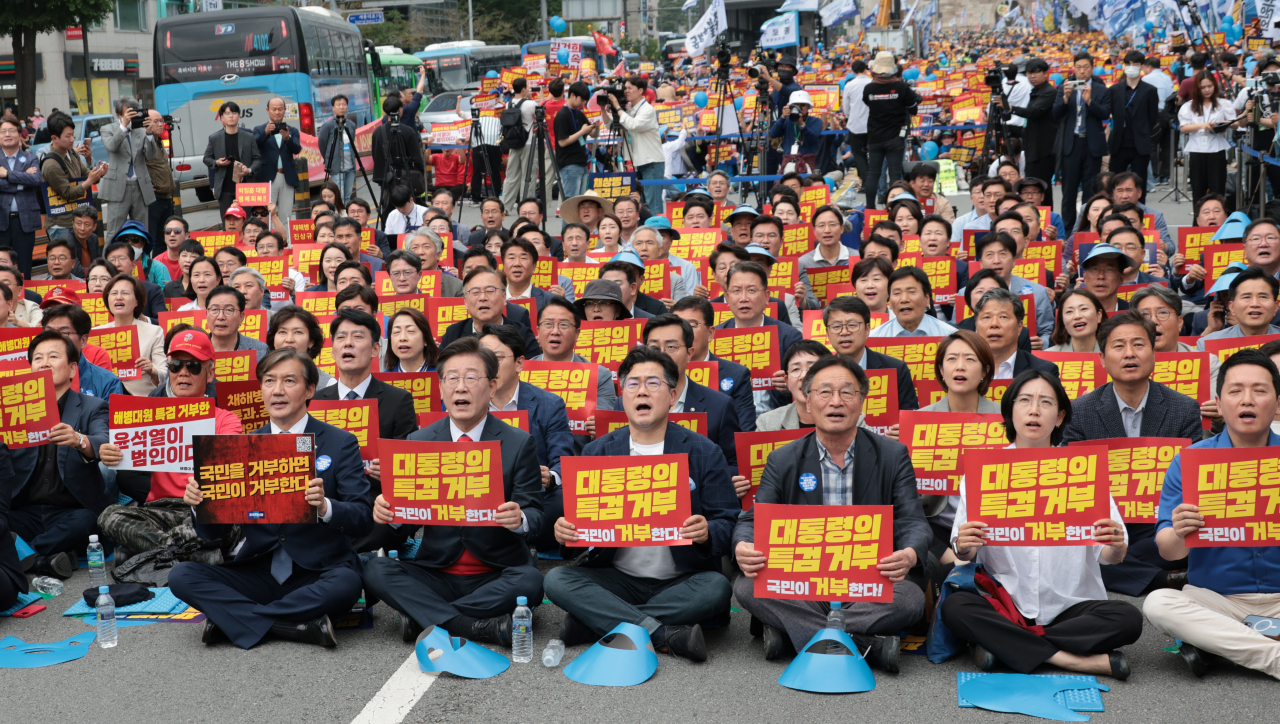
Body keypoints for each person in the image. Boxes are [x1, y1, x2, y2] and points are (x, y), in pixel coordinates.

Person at [544, 345, 738, 662]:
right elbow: (576, 526)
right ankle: (663, 634)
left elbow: (728, 521)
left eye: (653, 383)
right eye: (633, 384)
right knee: (556, 579)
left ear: (673, 396)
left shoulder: (704, 450)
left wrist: (707, 531)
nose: (641, 392)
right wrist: (565, 530)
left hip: (682, 579)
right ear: (623, 396)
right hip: (617, 577)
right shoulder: (598, 452)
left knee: (717, 588)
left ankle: (599, 623)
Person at [733, 354, 928, 668]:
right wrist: (743, 546)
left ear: (861, 401)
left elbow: (912, 520)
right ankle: (864, 644)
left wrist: (908, 552)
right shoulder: (783, 459)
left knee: (910, 598)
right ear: (808, 403)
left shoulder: (893, 454)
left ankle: (798, 634)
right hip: (805, 577)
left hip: (869, 578)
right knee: (745, 585)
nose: (836, 401)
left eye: (847, 392)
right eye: (824, 392)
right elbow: (752, 519)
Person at [943, 369, 1141, 677]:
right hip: (1008, 604)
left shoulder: (1082, 471)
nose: (1034, 410)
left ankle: (1005, 646)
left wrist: (1116, 545)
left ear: (1060, 416)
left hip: (1071, 608)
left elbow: (1109, 556)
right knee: (955, 608)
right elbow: (965, 553)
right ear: (1010, 411)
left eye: (1045, 402)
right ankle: (1072, 660)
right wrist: (964, 545)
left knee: (1128, 618)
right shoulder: (984, 473)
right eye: (1025, 400)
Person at [170, 348, 371, 649]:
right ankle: (295, 626)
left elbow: (362, 516)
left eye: (289, 381)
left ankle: (234, 619)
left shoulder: (340, 442)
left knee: (348, 584)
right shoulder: (238, 448)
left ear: (310, 389)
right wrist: (200, 505)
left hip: (317, 571)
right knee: (182, 576)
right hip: (258, 570)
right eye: (268, 381)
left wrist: (325, 506)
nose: (277, 391)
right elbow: (215, 535)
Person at [364, 337, 544, 646]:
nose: (461, 387)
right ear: (441, 389)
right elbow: (406, 525)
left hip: (496, 573)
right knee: (375, 569)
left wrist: (520, 519)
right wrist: (390, 515)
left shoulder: (518, 442)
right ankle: (473, 627)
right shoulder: (418, 442)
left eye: (471, 378)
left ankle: (426, 618)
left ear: (491, 386)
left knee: (532, 582)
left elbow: (536, 514)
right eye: (452, 378)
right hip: (436, 572)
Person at [1144, 349, 1280, 679]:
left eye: (1259, 390)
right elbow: (1167, 550)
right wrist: (1179, 531)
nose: (1247, 400)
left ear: (1277, 404)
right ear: (1219, 404)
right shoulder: (1190, 461)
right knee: (1159, 604)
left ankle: (1220, 643)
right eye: (1235, 391)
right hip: (1217, 599)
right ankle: (1271, 651)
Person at [1059, 310, 1201, 596]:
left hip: (1158, 523)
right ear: (1102, 358)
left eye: (1138, 344)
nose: (1129, 354)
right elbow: (1073, 485)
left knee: (1178, 538)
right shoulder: (1080, 411)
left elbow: (1191, 479)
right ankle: (1165, 579)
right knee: (1083, 549)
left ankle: (1126, 570)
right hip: (1105, 523)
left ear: (1153, 352)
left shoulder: (1183, 408)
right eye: (1118, 346)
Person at [96, 328, 243, 556]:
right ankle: (189, 555)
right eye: (176, 366)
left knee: (222, 524)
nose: (183, 373)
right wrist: (111, 453)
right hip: (161, 509)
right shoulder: (149, 416)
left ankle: (155, 555)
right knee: (109, 517)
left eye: (193, 367)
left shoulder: (227, 420)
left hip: (204, 508)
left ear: (211, 374)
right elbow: (127, 457)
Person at [8, 330, 122, 579]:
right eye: (37, 358)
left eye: (52, 356)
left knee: (89, 520)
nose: (44, 363)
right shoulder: (12, 409)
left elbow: (104, 441)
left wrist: (79, 440)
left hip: (72, 511)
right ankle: (42, 560)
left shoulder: (92, 406)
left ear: (72, 369)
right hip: (25, 510)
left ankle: (23, 555)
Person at [310, 308, 418, 550]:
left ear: (375, 349)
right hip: (324, 499)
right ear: (333, 349)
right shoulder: (315, 401)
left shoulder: (398, 399)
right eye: (341, 337)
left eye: (358, 337)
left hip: (374, 502)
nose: (348, 343)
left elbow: (410, 466)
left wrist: (390, 469)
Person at [477, 324, 575, 544]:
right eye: (483, 359)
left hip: (532, 495)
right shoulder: (468, 403)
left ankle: (517, 530)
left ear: (519, 363)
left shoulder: (549, 404)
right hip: (479, 495)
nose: (489, 367)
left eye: (497, 358)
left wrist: (550, 477)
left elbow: (564, 461)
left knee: (563, 500)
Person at [1052, 53, 1111, 232]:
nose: (1082, 71)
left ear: (1092, 68)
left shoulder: (1101, 90)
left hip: (1091, 144)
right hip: (1071, 144)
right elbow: (1055, 114)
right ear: (1074, 69)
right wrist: (1065, 99)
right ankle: (1068, 230)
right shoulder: (1065, 87)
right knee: (1068, 191)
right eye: (1078, 67)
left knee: (1090, 189)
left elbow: (1106, 113)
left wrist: (1090, 102)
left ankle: (1088, 229)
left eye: (1086, 67)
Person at [39, 111, 106, 248]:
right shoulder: (51, 164)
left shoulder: (72, 153)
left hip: (76, 220)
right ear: (55, 138)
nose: (72, 140)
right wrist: (90, 180)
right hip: (61, 225)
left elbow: (86, 174)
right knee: (67, 265)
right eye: (67, 136)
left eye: (72, 135)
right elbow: (67, 193)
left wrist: (99, 173)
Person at [600, 76, 665, 214]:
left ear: (641, 90)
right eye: (625, 88)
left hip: (651, 161)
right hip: (638, 162)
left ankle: (658, 232)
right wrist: (603, 108)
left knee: (653, 203)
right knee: (640, 202)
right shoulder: (630, 110)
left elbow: (632, 125)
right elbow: (611, 125)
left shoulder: (647, 109)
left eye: (630, 88)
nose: (626, 91)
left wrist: (617, 106)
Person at [862, 51, 919, 209]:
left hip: (874, 137)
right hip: (896, 136)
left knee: (873, 173)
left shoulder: (869, 89)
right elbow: (913, 110)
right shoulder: (901, 87)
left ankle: (870, 208)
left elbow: (868, 103)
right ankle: (895, 207)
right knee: (894, 173)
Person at [441, 267, 541, 356]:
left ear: (504, 297)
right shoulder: (453, 334)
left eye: (490, 291)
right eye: (475, 292)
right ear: (465, 302)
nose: (483, 298)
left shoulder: (522, 334)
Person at [93, 274, 166, 395]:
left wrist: (152, 370)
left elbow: (163, 373)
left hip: (141, 400)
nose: (119, 297)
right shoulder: (95, 333)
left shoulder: (154, 331)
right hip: (105, 401)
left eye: (125, 293)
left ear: (137, 301)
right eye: (114, 293)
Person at [1002, 59, 1059, 210]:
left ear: (1045, 74)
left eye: (1035, 72)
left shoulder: (1049, 92)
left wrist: (1010, 107)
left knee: (1041, 188)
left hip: (1043, 149)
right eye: (1029, 73)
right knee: (1034, 186)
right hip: (1034, 146)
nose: (1032, 76)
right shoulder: (1035, 91)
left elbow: (1034, 113)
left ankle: (1047, 219)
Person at [99, 99, 159, 239]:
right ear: (119, 114)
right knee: (114, 232)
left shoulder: (141, 130)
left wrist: (150, 133)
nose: (132, 116)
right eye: (128, 113)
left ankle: (141, 261)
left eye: (134, 112)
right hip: (118, 186)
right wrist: (124, 126)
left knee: (141, 232)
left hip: (140, 186)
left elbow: (151, 156)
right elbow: (112, 147)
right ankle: (110, 260)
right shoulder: (108, 129)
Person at [40, 303, 126, 400]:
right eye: (48, 332)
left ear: (83, 340)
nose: (53, 339)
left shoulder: (107, 382)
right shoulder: (29, 379)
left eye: (64, 333)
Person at [975, 288, 1058, 379]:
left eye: (1003, 317)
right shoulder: (961, 369)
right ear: (976, 326)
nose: (994, 324)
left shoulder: (1044, 371)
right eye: (986, 317)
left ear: (1019, 327)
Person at [1179, 70, 1236, 202]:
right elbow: (1184, 128)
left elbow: (1235, 124)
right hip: (1197, 149)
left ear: (1215, 86)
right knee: (1198, 190)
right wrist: (1202, 125)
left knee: (1218, 189)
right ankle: (1198, 220)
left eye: (1209, 86)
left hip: (1216, 149)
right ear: (1197, 88)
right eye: (1203, 87)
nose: (1206, 90)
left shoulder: (1224, 103)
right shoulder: (1189, 106)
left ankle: (1219, 219)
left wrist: (1223, 124)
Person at [253, 98, 303, 240]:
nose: (277, 112)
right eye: (274, 109)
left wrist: (288, 138)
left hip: (287, 176)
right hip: (267, 177)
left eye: (280, 109)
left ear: (285, 110)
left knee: (286, 213)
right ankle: (266, 241)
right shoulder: (259, 129)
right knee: (266, 213)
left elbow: (297, 149)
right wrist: (265, 133)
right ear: (267, 110)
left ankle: (286, 242)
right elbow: (254, 145)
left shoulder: (292, 130)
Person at [1197, 266, 1280, 352]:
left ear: (1275, 307)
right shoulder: (1206, 345)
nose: (1255, 304)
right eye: (1246, 297)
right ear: (1232, 307)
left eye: (1263, 297)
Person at [0, 115, 43, 275]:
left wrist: (7, 175)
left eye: (12, 130)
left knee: (24, 266)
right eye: (3, 131)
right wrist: (22, 179)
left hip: (24, 221)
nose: (7, 134)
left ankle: (25, 299)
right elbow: (28, 180)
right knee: (1, 267)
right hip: (1, 221)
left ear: (19, 134)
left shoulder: (31, 158)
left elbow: (36, 179)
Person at [202, 101, 260, 218]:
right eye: (227, 113)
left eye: (234, 113)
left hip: (245, 186)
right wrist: (217, 162)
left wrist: (248, 170)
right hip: (224, 188)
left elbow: (257, 159)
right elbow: (206, 158)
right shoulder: (214, 138)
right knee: (228, 223)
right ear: (222, 117)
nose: (231, 116)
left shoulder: (248, 137)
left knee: (246, 221)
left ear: (239, 116)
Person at [371, 95, 426, 217]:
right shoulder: (408, 131)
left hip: (386, 178)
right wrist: (420, 173)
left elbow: (376, 156)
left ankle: (389, 233)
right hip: (407, 177)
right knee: (408, 209)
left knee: (389, 210)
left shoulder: (377, 132)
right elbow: (417, 158)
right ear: (400, 110)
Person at [871, 267, 958, 337]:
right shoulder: (875, 337)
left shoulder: (949, 335)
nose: (904, 299)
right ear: (889, 302)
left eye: (912, 292)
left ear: (927, 299)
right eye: (897, 293)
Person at [268, 306, 337, 390]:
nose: (289, 339)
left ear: (311, 341)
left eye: (298, 332)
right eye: (282, 332)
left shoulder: (328, 384)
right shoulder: (261, 376)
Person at [555, 81, 600, 200]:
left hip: (582, 162)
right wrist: (582, 132)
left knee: (580, 202)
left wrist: (597, 126)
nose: (583, 103)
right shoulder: (562, 115)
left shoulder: (579, 114)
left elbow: (593, 134)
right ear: (573, 95)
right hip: (569, 164)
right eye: (582, 100)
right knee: (571, 202)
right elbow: (562, 142)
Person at [201, 285, 268, 357]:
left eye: (229, 310)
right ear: (206, 314)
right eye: (214, 309)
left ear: (241, 317)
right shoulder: (195, 348)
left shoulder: (260, 350)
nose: (220, 317)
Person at [770, 91, 824, 175]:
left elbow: (812, 139)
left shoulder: (816, 121)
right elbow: (773, 134)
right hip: (789, 162)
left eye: (802, 105)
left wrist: (802, 125)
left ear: (808, 106)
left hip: (807, 163)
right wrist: (783, 117)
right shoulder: (787, 120)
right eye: (796, 105)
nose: (799, 108)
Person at [318, 95, 356, 203]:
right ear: (333, 108)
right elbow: (322, 143)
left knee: (348, 195)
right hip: (336, 165)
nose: (341, 107)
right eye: (338, 105)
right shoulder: (328, 125)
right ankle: (340, 218)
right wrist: (329, 158)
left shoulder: (351, 124)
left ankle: (347, 217)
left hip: (350, 165)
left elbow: (351, 140)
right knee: (340, 195)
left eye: (344, 104)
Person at [1046, 288, 1105, 353]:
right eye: (1069, 311)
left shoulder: (1113, 354)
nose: (1077, 316)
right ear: (1062, 320)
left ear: (1099, 315)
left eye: (1083, 309)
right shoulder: (1048, 357)